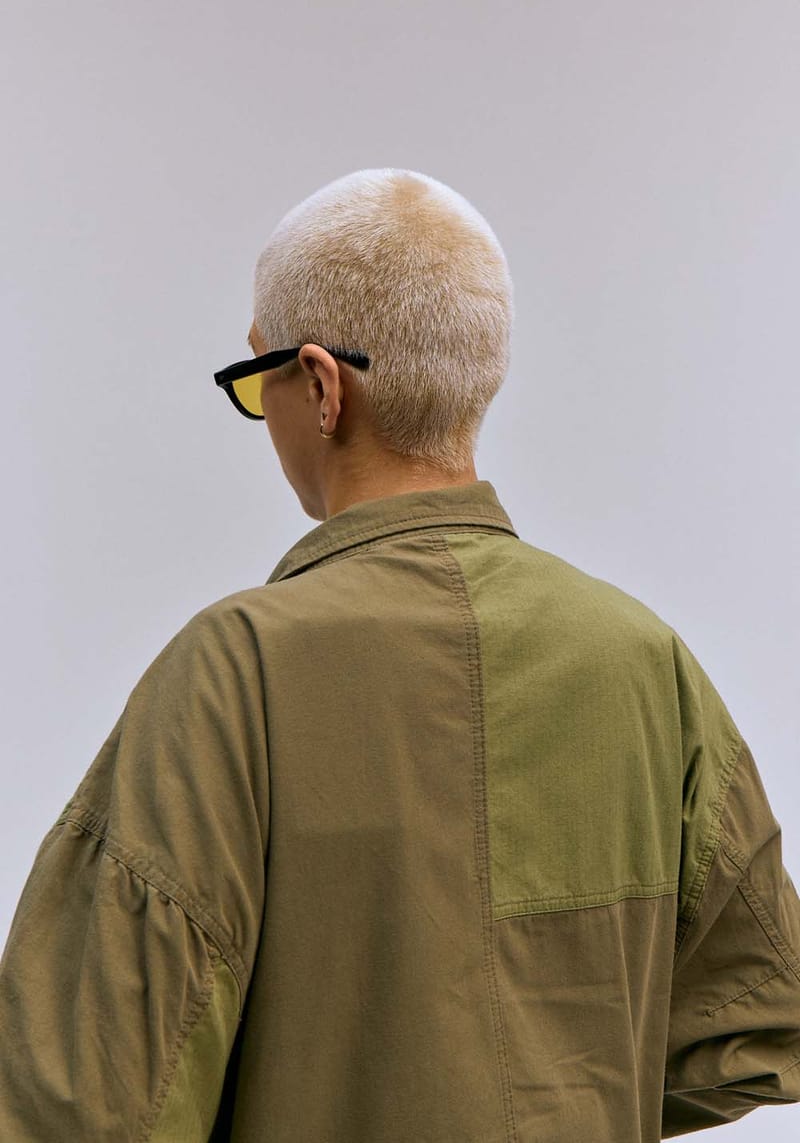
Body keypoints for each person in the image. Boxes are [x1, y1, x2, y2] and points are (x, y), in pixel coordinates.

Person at [1, 167, 798, 1142]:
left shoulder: (234, 673)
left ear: (321, 386)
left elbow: (82, 1103)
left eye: (259, 378)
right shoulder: (647, 666)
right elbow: (762, 1019)